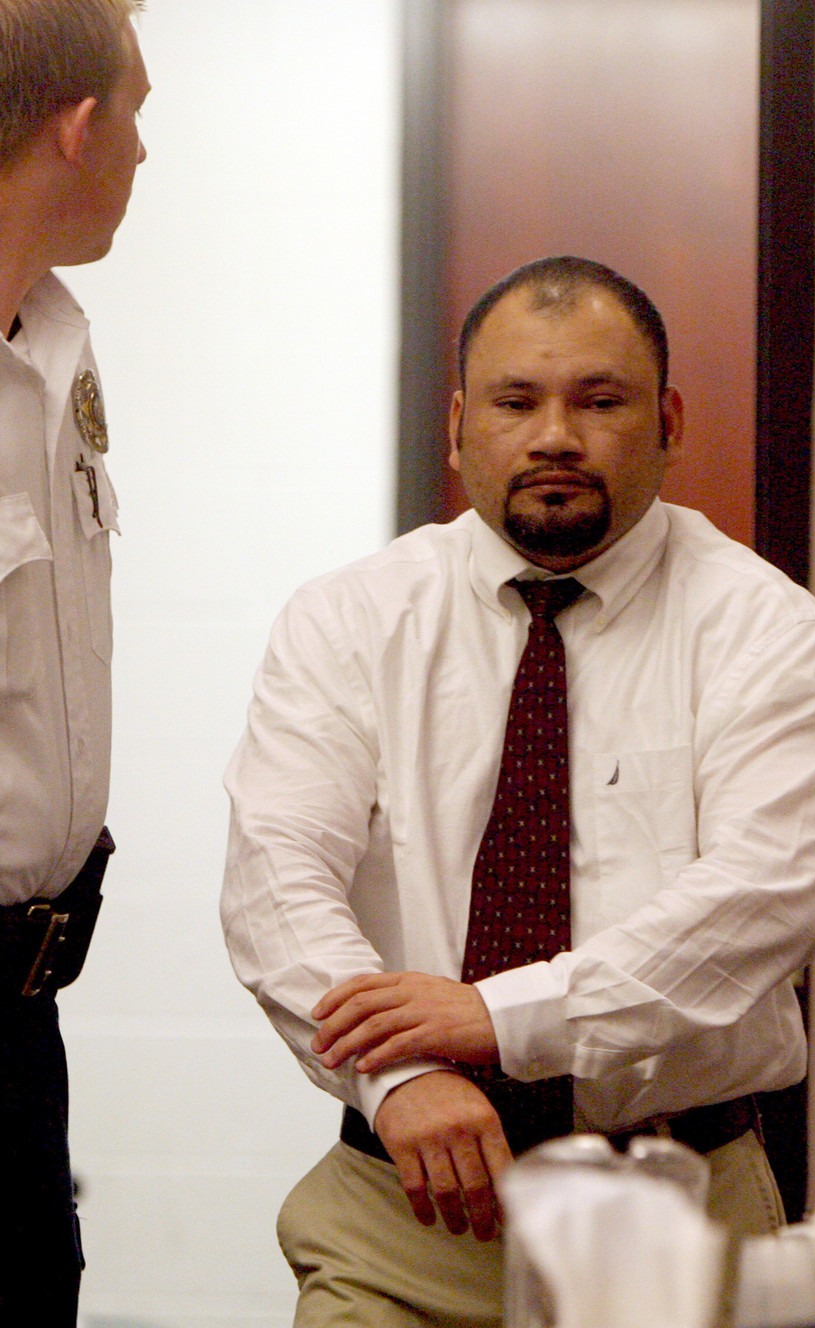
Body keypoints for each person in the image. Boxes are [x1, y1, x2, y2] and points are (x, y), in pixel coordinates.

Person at [222, 255, 815, 1328]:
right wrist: (401, 1077)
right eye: (517, 401)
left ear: (667, 421)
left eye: (598, 400)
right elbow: (275, 881)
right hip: (403, 1210)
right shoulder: (348, 618)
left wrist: (497, 1015)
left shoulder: (765, 628)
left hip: (682, 1214)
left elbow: (765, 895)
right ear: (462, 422)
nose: (554, 434)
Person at [0, 1, 149, 1321]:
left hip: (23, 1002)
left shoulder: (53, 340)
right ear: (79, 124)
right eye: (139, 114)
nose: (145, 153)